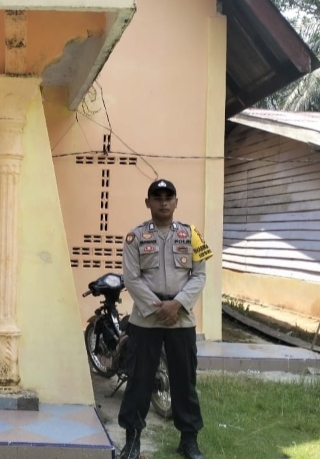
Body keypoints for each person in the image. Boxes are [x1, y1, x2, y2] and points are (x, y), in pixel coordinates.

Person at [118, 179, 212, 459]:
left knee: (184, 381)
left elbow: (200, 275)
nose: (163, 202)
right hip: (146, 319)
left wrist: (177, 304)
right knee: (139, 380)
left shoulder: (192, 234)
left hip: (180, 319)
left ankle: (189, 440)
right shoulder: (134, 237)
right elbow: (131, 278)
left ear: (176, 202)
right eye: (157, 197)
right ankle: (132, 441)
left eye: (168, 197)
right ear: (148, 202)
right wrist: (159, 308)